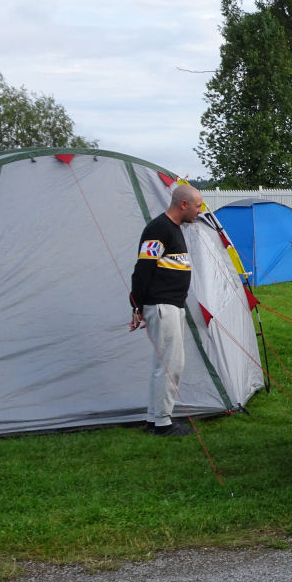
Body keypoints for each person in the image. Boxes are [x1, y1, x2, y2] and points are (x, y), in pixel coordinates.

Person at [129, 183, 205, 436]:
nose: (200, 211)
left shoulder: (174, 228)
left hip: (172, 305)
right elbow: (143, 269)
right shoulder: (159, 229)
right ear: (183, 205)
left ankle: (154, 419)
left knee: (166, 364)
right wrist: (136, 307)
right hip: (162, 305)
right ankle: (163, 423)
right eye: (197, 206)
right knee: (170, 365)